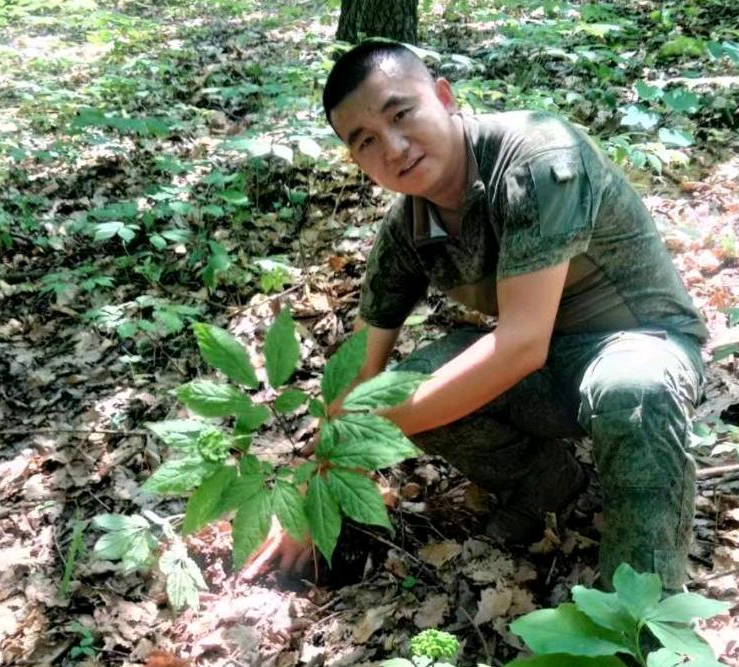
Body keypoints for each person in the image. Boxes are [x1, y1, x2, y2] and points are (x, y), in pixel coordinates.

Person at [243, 40, 706, 591]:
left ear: (443, 96)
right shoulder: (407, 229)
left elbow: (520, 344)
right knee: (403, 386)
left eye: (401, 114)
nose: (393, 147)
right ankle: (548, 488)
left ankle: (641, 621)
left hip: (638, 343)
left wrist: (370, 436)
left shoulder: (538, 157)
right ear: (356, 159)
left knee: (636, 388)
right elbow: (358, 372)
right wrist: (313, 490)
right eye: (366, 141)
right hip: (546, 376)